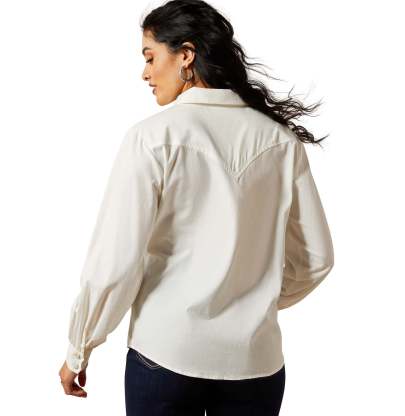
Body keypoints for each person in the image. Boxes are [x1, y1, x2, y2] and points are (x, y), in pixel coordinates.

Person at [58, 0, 334, 414]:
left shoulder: (153, 138)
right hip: (256, 364)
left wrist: (79, 347)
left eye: (150, 57)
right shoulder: (280, 140)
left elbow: (115, 263)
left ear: (185, 55)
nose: (145, 73)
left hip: (166, 356)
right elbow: (316, 259)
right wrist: (251, 304)